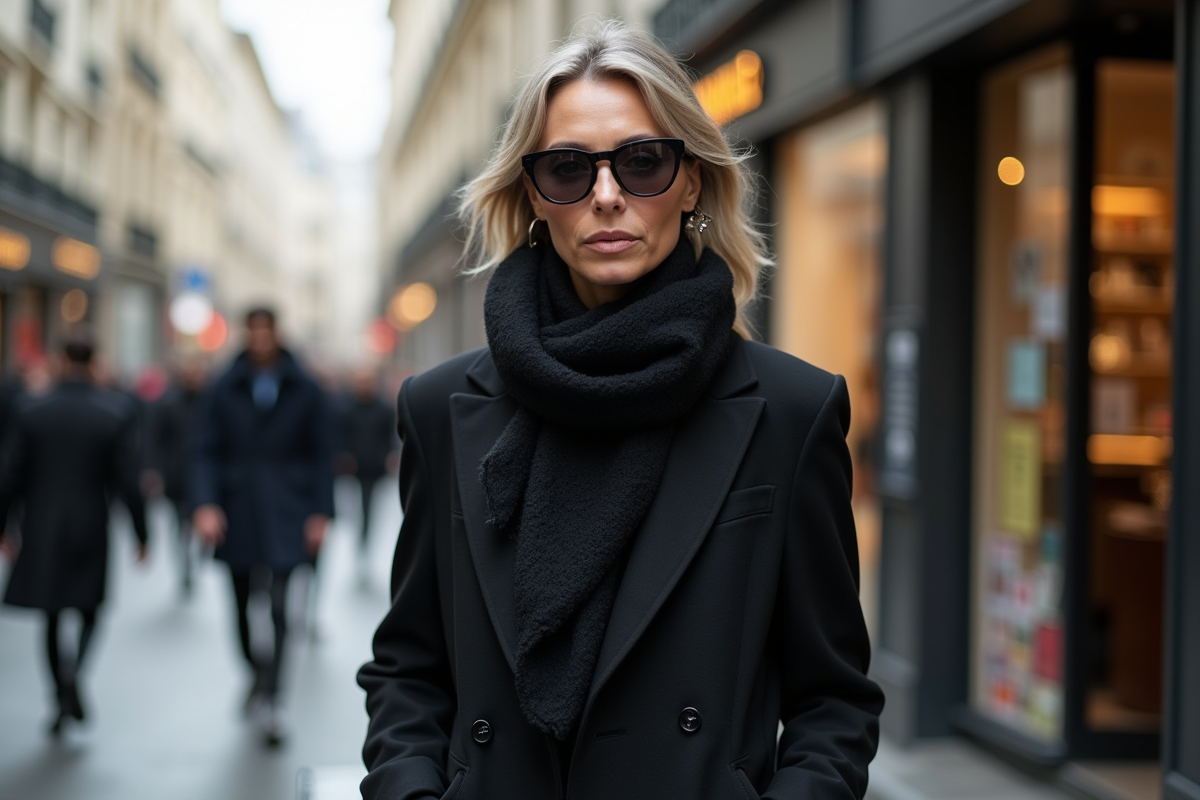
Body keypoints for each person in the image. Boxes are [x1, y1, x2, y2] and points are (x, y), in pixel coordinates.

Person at [357, 22, 883, 800]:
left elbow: (831, 697)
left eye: (642, 162)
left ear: (691, 180)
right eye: (568, 169)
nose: (607, 197)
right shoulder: (441, 410)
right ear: (534, 195)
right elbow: (410, 667)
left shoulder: (790, 411)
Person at [191, 307, 335, 747]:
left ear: (275, 334)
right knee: (238, 605)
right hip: (237, 510)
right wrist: (206, 504)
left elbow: (322, 452)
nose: (259, 340)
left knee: (278, 606)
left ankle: (273, 698)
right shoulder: (224, 386)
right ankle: (255, 671)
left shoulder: (305, 387)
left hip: (288, 509)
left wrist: (319, 512)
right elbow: (204, 450)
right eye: (251, 332)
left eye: (265, 331)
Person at [0, 337, 149, 736]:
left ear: (61, 361)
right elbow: (127, 481)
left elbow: (10, 474)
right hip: (90, 522)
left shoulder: (32, 410)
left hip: (42, 523)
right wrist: (141, 533)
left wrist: (5, 527)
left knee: (52, 613)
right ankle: (74, 676)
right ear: (95, 362)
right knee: (89, 607)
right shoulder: (113, 413)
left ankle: (60, 688)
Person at [146, 358, 208, 596]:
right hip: (178, 476)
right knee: (181, 524)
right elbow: (156, 440)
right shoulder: (169, 403)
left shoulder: (210, 403)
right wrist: (156, 471)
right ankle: (185, 566)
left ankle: (199, 555)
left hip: (203, 477)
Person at [336, 367, 399, 566]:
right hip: (353, 470)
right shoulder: (347, 408)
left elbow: (390, 438)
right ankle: (359, 543)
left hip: (375, 468)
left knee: (370, 508)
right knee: (355, 510)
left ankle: (365, 544)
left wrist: (390, 456)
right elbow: (342, 438)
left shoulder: (384, 409)